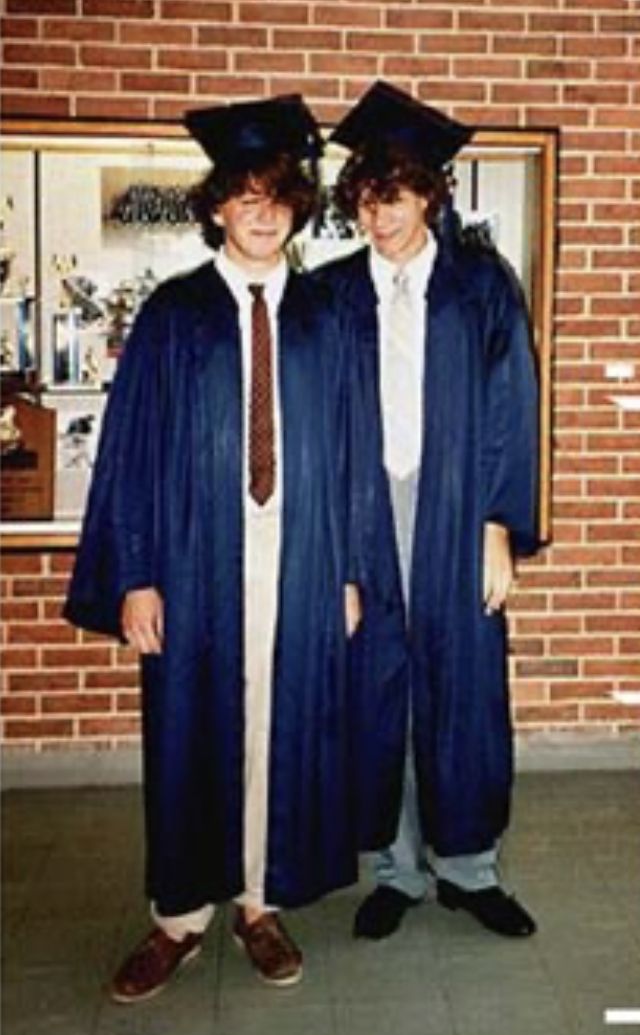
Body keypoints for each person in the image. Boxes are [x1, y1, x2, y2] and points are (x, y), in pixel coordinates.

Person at [64, 94, 405, 1003]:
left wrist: (348, 570)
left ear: (297, 207)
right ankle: (178, 914)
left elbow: (351, 452)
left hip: (299, 558)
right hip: (192, 562)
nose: (262, 211)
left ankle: (259, 901)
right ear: (216, 205)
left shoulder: (325, 317)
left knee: (279, 728)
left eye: (279, 195)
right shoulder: (174, 316)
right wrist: (135, 573)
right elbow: (128, 453)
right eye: (244, 194)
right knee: (187, 728)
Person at [314, 80, 540, 941]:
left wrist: (496, 526)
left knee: (465, 687)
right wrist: (333, 556)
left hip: (456, 510)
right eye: (367, 197)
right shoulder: (332, 297)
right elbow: (315, 430)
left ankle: (470, 868)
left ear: (430, 193)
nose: (380, 215)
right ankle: (397, 869)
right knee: (378, 688)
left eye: (396, 195)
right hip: (365, 511)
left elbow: (511, 406)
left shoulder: (482, 286)